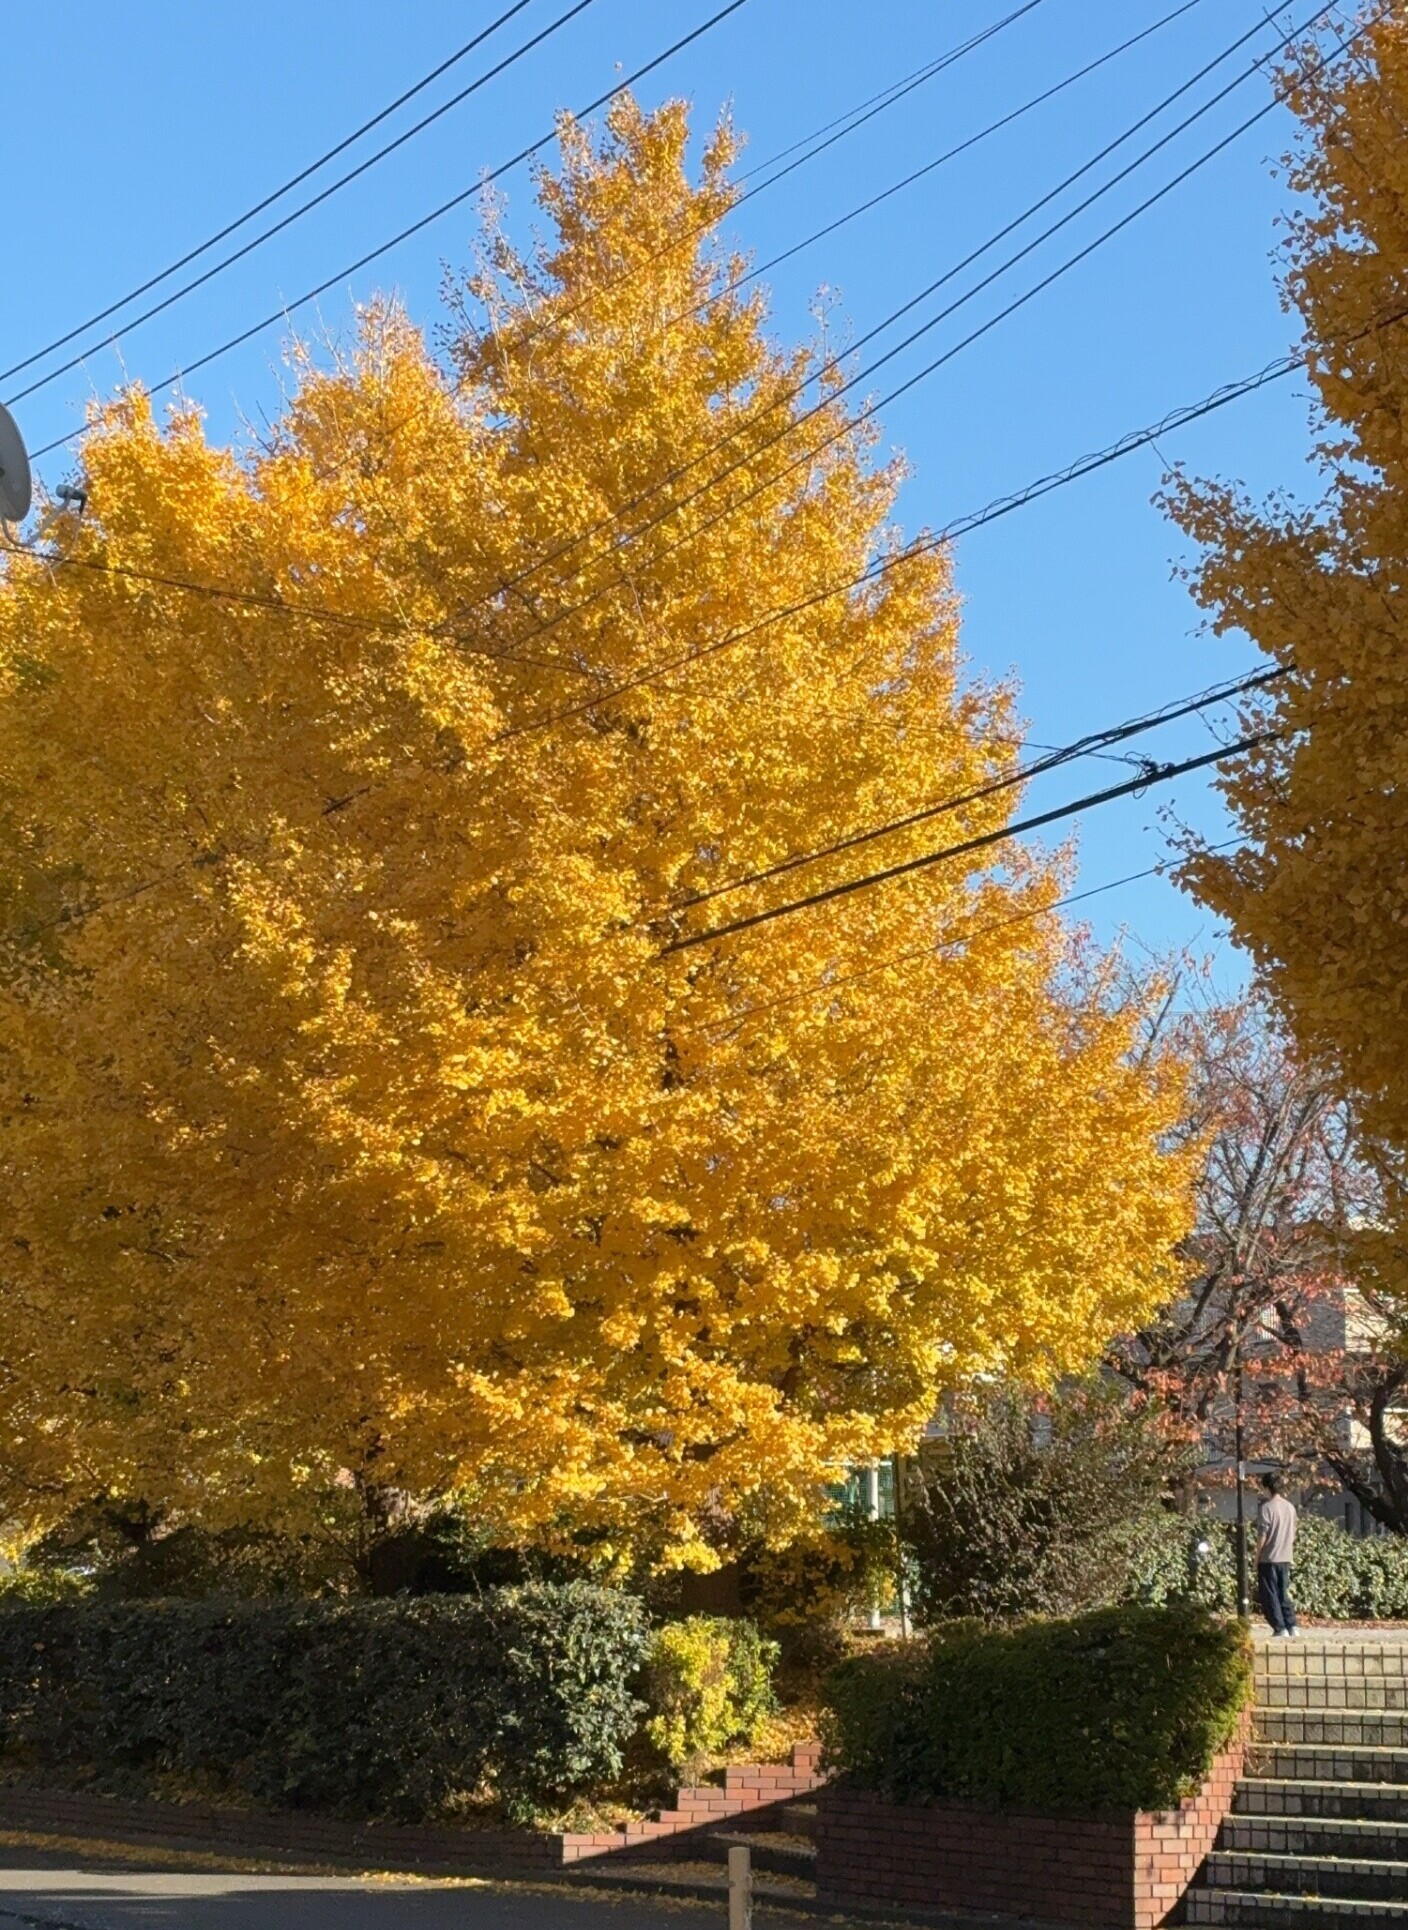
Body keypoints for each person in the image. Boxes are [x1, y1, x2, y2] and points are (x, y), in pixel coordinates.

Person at [1256, 1472, 1298, 1637]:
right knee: (1283, 1593)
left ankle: (1279, 1627)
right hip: (1286, 1556)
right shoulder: (1290, 1507)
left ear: (1267, 1488)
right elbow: (1293, 1533)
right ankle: (1291, 1625)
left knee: (1270, 1594)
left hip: (1269, 1558)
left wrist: (1256, 1557)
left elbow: (1262, 1536)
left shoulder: (1266, 1508)